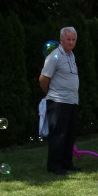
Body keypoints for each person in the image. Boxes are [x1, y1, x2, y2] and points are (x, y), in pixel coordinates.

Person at [39, 27, 79, 176]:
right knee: (58, 134)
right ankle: (54, 165)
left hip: (72, 101)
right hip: (58, 101)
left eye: (73, 39)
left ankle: (67, 163)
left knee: (70, 133)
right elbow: (43, 78)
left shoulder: (71, 55)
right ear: (61, 40)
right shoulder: (54, 56)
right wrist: (50, 94)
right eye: (68, 39)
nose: (71, 42)